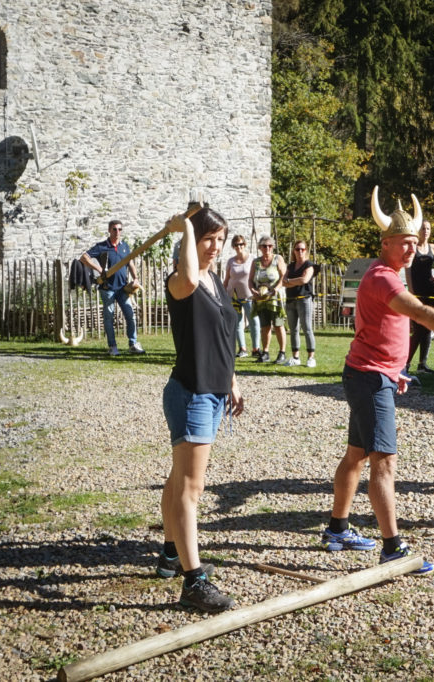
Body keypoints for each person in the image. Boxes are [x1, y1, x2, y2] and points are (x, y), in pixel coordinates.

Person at [321, 187, 434, 575]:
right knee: (384, 462)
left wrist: (396, 367)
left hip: (371, 374)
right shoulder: (383, 278)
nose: (412, 249)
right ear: (386, 243)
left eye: (414, 242)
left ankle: (337, 530)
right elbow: (421, 313)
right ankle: (392, 547)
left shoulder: (390, 274)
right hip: (369, 379)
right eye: (404, 242)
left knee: (356, 455)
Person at [158, 206, 243, 613]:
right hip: (190, 393)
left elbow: (223, 333)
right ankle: (193, 583)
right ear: (188, 246)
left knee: (180, 479)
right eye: (209, 239)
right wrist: (187, 230)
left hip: (212, 390)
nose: (216, 246)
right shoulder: (180, 282)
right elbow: (189, 275)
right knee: (192, 488)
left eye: (220, 239)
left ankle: (171, 554)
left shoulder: (214, 280)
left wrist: (232, 379)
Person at [79, 219, 146, 356]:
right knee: (109, 317)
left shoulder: (124, 246)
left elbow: (130, 263)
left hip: (123, 288)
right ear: (109, 230)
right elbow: (84, 257)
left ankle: (133, 344)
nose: (117, 232)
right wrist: (98, 268)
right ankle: (112, 347)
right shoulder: (102, 246)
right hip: (107, 288)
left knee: (130, 315)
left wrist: (135, 278)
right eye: (114, 229)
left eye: (120, 229)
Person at [405, 220, 434, 375]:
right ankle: (405, 363)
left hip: (431, 291)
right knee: (418, 329)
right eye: (423, 228)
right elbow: (407, 270)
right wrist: (411, 291)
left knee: (428, 328)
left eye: (428, 228)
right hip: (417, 292)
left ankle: (422, 364)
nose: (425, 231)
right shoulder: (413, 248)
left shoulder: (433, 248)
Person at [249, 236, 287, 364]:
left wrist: (275, 289)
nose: (267, 248)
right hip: (260, 298)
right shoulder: (256, 262)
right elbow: (250, 280)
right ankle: (265, 352)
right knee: (264, 326)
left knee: (278, 324)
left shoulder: (278, 259)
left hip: (275, 298)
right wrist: (253, 290)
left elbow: (284, 276)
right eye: (264, 246)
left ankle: (282, 353)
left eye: (270, 246)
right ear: (260, 248)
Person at [281, 239, 318, 367]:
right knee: (293, 329)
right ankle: (295, 357)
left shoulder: (309, 265)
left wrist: (289, 281)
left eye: (302, 249)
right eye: (297, 249)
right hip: (291, 300)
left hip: (304, 299)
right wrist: (293, 281)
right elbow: (283, 281)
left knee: (307, 328)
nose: (300, 251)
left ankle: (311, 357)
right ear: (294, 251)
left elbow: (305, 279)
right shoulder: (290, 266)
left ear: (306, 251)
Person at [223, 234, 260, 358]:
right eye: (236, 244)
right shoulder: (231, 261)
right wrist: (222, 293)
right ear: (233, 246)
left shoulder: (252, 259)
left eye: (241, 244)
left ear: (245, 245)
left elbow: (257, 277)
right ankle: (242, 348)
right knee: (237, 322)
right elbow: (227, 279)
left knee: (254, 321)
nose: (239, 246)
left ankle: (256, 348)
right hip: (233, 295)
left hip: (249, 296)